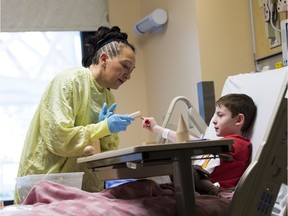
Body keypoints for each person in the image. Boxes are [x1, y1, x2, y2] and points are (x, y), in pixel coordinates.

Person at [15, 26, 136, 203]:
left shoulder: (108, 97)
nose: (128, 76)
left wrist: (107, 135)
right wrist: (103, 127)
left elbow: (104, 153)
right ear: (104, 58)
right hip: (45, 186)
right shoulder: (70, 81)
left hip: (82, 191)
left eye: (132, 70)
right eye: (125, 66)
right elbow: (59, 138)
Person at [141, 93, 257, 194]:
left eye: (220, 115)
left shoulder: (239, 143)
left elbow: (199, 144)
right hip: (199, 188)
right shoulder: (218, 143)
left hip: (216, 193)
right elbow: (189, 140)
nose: (214, 120)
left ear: (238, 120)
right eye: (215, 115)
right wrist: (157, 129)